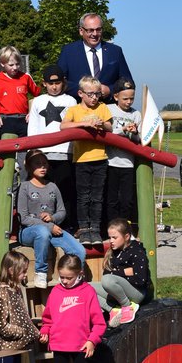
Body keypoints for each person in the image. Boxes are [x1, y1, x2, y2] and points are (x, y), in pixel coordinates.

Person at [17, 149, 85, 288]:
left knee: (79, 251)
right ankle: (40, 273)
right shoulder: (24, 187)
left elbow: (62, 211)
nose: (42, 167)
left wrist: (52, 218)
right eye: (38, 164)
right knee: (42, 232)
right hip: (28, 232)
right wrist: (48, 226)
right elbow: (23, 218)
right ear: (29, 167)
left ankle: (72, 279)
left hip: (53, 229)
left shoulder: (52, 186)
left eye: (44, 164)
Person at [60, 75, 113, 247]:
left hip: (100, 159)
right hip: (81, 160)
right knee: (83, 197)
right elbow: (63, 126)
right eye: (90, 94)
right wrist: (83, 124)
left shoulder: (102, 108)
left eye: (97, 94)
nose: (94, 98)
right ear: (81, 93)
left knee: (97, 197)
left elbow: (110, 126)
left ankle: (95, 229)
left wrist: (100, 123)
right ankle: (84, 229)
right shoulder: (74, 110)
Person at [27, 64, 77, 230]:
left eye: (57, 83)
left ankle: (67, 225)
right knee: (44, 192)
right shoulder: (38, 101)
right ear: (44, 83)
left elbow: (74, 127)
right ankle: (43, 224)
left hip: (65, 153)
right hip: (44, 155)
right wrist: (32, 153)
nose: (54, 86)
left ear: (63, 82)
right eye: (50, 83)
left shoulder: (71, 101)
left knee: (65, 192)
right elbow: (33, 128)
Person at [57, 13, 133, 101]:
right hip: (78, 109)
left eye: (98, 29)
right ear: (81, 31)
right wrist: (85, 90)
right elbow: (60, 81)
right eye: (90, 30)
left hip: (108, 109)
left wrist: (110, 90)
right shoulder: (68, 51)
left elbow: (128, 82)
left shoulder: (115, 51)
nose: (95, 34)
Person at [93, 218, 151, 327]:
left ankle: (127, 307)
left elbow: (141, 279)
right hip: (120, 291)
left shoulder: (136, 251)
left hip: (137, 292)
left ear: (127, 237)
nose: (111, 241)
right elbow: (107, 274)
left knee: (107, 280)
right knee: (86, 287)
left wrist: (117, 274)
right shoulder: (114, 252)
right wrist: (125, 272)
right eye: (109, 237)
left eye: (114, 237)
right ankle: (113, 310)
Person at [106, 78, 141, 223]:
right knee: (111, 199)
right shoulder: (108, 109)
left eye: (131, 98)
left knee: (126, 200)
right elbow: (106, 132)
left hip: (128, 163)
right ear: (116, 97)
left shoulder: (136, 114)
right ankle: (111, 229)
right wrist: (123, 129)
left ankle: (125, 228)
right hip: (110, 162)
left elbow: (139, 140)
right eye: (125, 98)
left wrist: (134, 133)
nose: (128, 102)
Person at [0, 45, 39, 140]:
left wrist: (31, 112)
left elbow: (38, 96)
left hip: (23, 119)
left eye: (17, 64)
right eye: (11, 65)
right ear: (2, 64)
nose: (15, 67)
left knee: (24, 151)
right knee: (7, 150)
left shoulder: (26, 77)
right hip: (5, 120)